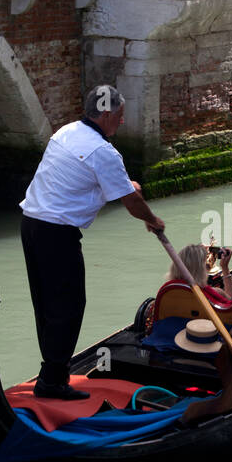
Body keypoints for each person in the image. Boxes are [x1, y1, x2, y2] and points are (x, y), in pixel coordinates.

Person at [20, 83, 165, 400]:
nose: (122, 122)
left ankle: (51, 371)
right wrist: (153, 220)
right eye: (121, 116)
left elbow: (78, 180)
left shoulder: (66, 132)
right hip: (57, 233)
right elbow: (131, 204)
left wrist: (127, 187)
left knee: (46, 304)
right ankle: (53, 383)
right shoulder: (104, 152)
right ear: (107, 113)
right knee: (69, 307)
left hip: (30, 224)